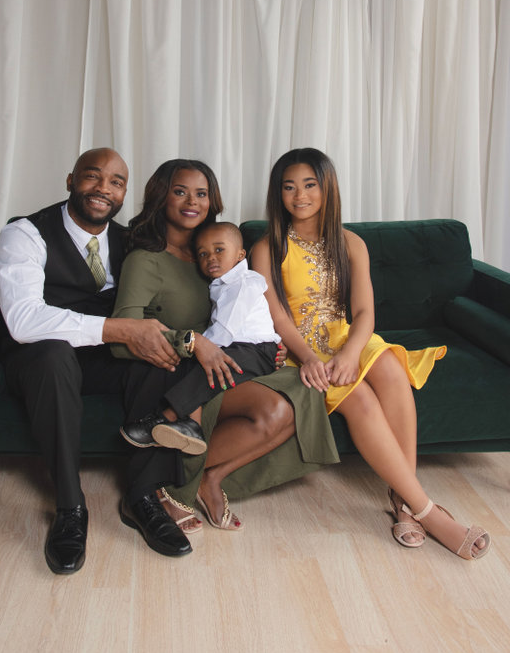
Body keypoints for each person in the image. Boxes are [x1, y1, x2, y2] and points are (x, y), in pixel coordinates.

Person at [250, 147, 490, 560]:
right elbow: (278, 319)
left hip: (348, 337)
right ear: (278, 193)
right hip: (302, 350)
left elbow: (364, 312)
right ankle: (428, 511)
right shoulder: (266, 248)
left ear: (327, 188)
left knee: (392, 369)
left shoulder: (350, 243)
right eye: (289, 187)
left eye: (310, 185)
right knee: (359, 399)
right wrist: (309, 358)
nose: (300, 195)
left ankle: (404, 501)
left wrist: (350, 353)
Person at [112, 160, 340, 540]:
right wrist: (194, 343)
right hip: (183, 364)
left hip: (228, 355)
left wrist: (268, 342)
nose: (192, 201)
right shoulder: (146, 260)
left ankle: (211, 477)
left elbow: (247, 308)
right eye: (180, 191)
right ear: (161, 197)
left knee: (301, 395)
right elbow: (124, 334)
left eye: (201, 193)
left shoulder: (216, 257)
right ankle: (170, 485)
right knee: (275, 408)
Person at [0, 147, 193, 575]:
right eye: (92, 176)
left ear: (124, 193)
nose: (104, 188)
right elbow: (24, 320)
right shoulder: (25, 233)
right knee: (53, 356)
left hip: (99, 359)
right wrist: (120, 330)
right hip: (38, 361)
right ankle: (70, 507)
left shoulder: (129, 240)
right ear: (71, 180)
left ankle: (142, 497)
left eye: (116, 182)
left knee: (157, 357)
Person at [118, 221, 280, 456]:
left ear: (240, 255)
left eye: (219, 250)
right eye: (203, 254)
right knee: (201, 364)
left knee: (209, 363)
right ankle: (191, 424)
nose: (211, 258)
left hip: (256, 350)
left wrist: (199, 347)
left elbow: (224, 329)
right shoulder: (221, 284)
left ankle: (164, 418)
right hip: (241, 347)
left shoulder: (242, 284)